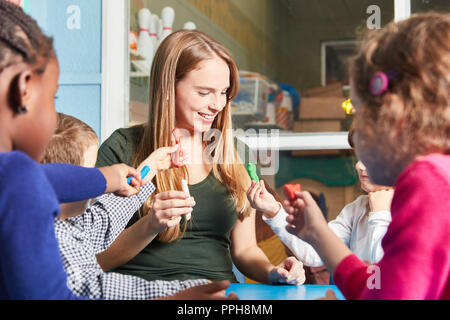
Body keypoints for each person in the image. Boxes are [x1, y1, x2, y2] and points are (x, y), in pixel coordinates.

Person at [96, 30, 305, 285]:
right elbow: (97, 258)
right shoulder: (123, 148)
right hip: (142, 290)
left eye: (223, 92)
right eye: (204, 93)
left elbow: (245, 250)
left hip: (217, 295)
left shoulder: (236, 153)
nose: (217, 105)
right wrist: (149, 225)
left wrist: (274, 272)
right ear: (168, 87)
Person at [284, 13, 450, 300]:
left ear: (392, 115)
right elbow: (379, 285)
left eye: (360, 114)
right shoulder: (436, 177)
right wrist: (316, 233)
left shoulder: (429, 182)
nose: (355, 133)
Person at [0, 0, 144, 300]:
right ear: (23, 91)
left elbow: (46, 179)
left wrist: (107, 178)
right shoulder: (17, 179)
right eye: (52, 97)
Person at [44, 113, 237, 300]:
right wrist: (172, 294)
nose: (99, 177)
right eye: (91, 172)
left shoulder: (75, 219)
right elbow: (94, 289)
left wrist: (151, 166)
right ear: (64, 180)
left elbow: (107, 216)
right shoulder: (52, 239)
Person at [247, 130, 394, 267]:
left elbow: (387, 273)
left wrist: (380, 216)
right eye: (360, 157)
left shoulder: (412, 211)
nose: (359, 166)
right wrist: (274, 210)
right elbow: (314, 253)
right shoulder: (358, 208)